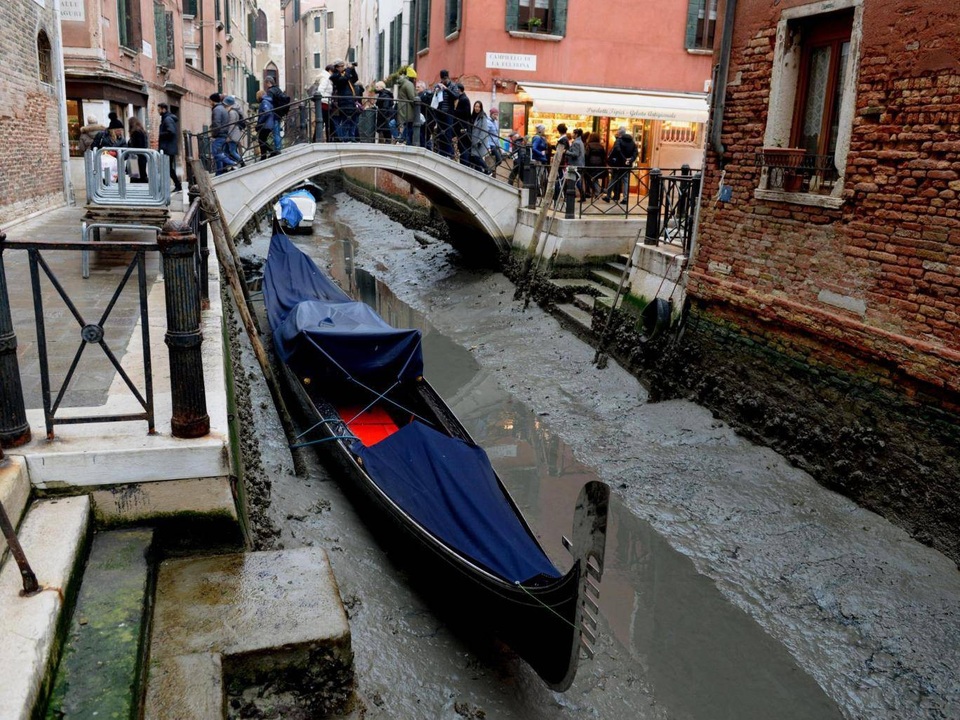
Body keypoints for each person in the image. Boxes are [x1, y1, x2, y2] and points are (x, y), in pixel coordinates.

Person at [603, 126, 638, 205]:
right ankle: (625, 198)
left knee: (613, 179)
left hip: (618, 164)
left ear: (619, 133)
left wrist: (622, 159)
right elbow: (635, 153)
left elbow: (616, 150)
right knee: (625, 181)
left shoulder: (618, 141)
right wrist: (630, 160)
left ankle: (608, 196)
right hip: (627, 165)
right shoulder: (632, 142)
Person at [432, 69, 460, 158]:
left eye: (445, 79)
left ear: (448, 78)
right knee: (440, 133)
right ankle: (441, 152)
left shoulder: (453, 86)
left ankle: (449, 153)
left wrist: (446, 89)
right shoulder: (438, 85)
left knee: (448, 133)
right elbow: (433, 96)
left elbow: (456, 96)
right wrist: (436, 90)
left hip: (449, 113)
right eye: (442, 79)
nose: (444, 81)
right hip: (440, 113)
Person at [330, 59, 360, 141]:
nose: (344, 67)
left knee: (353, 120)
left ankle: (352, 137)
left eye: (344, 66)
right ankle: (345, 138)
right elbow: (343, 80)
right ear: (337, 67)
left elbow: (355, 79)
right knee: (346, 120)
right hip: (344, 101)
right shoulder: (335, 76)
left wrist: (353, 69)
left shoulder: (345, 74)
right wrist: (348, 69)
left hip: (351, 101)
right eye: (342, 66)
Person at [157, 103, 182, 192]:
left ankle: (177, 185)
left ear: (163, 109)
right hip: (168, 148)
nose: (158, 111)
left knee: (167, 168)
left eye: (159, 109)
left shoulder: (167, 119)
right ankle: (175, 185)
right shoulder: (166, 118)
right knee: (167, 168)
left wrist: (161, 134)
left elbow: (171, 132)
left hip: (167, 148)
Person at [209, 92, 235, 175]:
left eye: (210, 101)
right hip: (223, 134)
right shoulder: (223, 109)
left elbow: (216, 123)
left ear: (213, 101)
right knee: (219, 153)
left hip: (219, 134)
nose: (209, 102)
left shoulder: (217, 110)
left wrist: (214, 134)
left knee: (215, 152)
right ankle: (219, 172)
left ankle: (232, 163)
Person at [465, 101, 492, 173]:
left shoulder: (482, 117)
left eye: (478, 107)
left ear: (481, 108)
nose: (477, 108)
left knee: (476, 157)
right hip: (473, 141)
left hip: (479, 142)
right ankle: (481, 172)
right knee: (473, 158)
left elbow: (484, 130)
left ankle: (487, 169)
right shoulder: (473, 116)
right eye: (475, 106)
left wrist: (479, 141)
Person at [263, 77, 287, 152]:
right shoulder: (278, 89)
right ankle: (278, 147)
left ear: (268, 82)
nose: (265, 85)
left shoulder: (270, 91)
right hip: (280, 113)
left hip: (274, 114)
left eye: (266, 83)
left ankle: (277, 149)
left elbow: (269, 103)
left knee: (276, 132)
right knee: (277, 132)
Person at [396, 66, 418, 146]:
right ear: (411, 77)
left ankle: (402, 140)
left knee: (408, 125)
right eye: (414, 78)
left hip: (403, 107)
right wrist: (417, 106)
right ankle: (405, 141)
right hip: (409, 108)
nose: (415, 80)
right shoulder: (409, 84)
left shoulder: (402, 83)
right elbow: (412, 97)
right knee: (410, 126)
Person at [223, 95, 246, 167]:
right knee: (227, 151)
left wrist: (228, 136)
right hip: (234, 133)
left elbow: (231, 125)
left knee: (232, 151)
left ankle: (242, 163)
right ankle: (229, 166)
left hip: (233, 134)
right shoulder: (234, 111)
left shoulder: (232, 112)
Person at [254, 89, 277, 160]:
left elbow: (267, 112)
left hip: (266, 124)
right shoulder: (267, 101)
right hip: (268, 123)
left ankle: (269, 153)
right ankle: (266, 154)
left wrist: (260, 122)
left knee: (261, 139)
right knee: (262, 139)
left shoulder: (264, 102)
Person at [583, 131, 607, 198]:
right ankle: (598, 191)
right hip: (599, 165)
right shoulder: (601, 146)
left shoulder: (588, 145)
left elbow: (586, 155)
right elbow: (603, 156)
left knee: (588, 178)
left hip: (590, 165)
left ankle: (598, 190)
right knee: (595, 178)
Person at [127, 116, 149, 183]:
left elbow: (135, 144)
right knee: (142, 175)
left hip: (135, 157)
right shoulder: (142, 131)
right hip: (142, 156)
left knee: (135, 177)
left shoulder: (135, 132)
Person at [454, 83, 472, 164]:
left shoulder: (464, 99)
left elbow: (466, 113)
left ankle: (464, 165)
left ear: (459, 90)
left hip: (463, 127)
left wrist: (455, 111)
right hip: (462, 126)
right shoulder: (462, 98)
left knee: (463, 147)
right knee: (461, 147)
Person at [417, 81, 434, 149]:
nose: (416, 88)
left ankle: (426, 148)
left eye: (418, 87)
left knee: (423, 135)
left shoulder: (422, 96)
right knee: (426, 136)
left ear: (423, 87)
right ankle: (428, 148)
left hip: (425, 119)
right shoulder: (428, 94)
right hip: (429, 119)